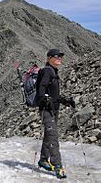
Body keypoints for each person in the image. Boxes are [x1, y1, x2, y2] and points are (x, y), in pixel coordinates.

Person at [37, 49, 75, 179]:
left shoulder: (54, 72)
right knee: (53, 137)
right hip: (47, 110)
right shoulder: (47, 71)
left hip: (54, 109)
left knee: (49, 136)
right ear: (49, 58)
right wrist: (43, 98)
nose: (60, 58)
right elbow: (42, 88)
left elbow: (54, 95)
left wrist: (65, 101)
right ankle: (58, 166)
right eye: (56, 56)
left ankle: (43, 160)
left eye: (61, 56)